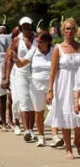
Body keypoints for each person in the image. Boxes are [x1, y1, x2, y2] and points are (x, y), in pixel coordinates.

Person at [45, 18, 80, 159]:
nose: (69, 31)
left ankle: (77, 140)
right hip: (63, 85)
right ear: (63, 31)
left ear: (75, 30)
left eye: (72, 28)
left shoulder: (79, 46)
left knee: (78, 116)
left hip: (78, 84)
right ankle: (68, 149)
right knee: (66, 118)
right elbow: (53, 71)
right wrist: (50, 90)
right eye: (67, 29)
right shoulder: (58, 48)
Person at [11, 31, 53, 146]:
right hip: (35, 86)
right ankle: (41, 136)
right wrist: (15, 58)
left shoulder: (54, 52)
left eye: (40, 42)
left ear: (48, 42)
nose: (38, 44)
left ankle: (55, 136)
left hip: (51, 86)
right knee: (39, 112)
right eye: (37, 41)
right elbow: (21, 64)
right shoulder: (33, 51)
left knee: (53, 110)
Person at [2, 16, 37, 141]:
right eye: (23, 25)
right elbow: (9, 59)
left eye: (28, 24)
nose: (26, 27)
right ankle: (26, 129)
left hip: (34, 73)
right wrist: (5, 77)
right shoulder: (17, 40)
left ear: (31, 25)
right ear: (20, 26)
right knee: (22, 101)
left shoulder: (37, 39)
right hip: (20, 72)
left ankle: (32, 130)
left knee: (33, 102)